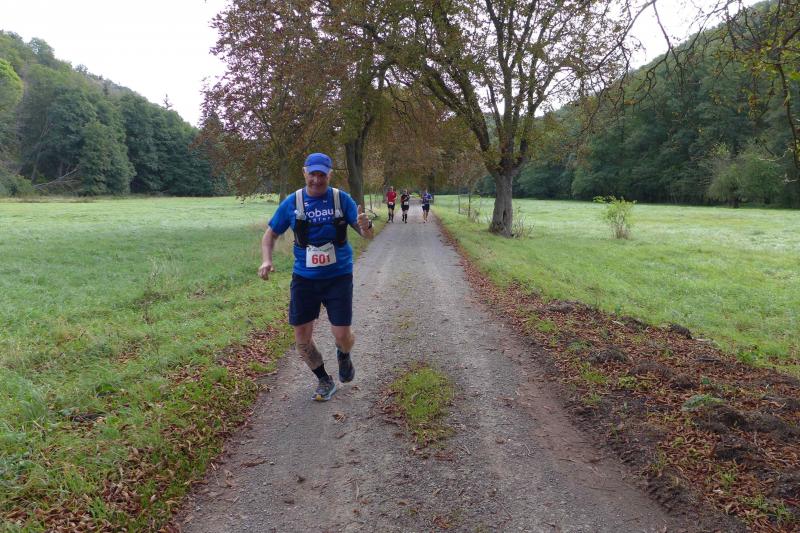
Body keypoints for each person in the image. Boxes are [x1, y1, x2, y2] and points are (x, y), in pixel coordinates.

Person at [258, 153, 374, 401]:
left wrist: (367, 227)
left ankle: (343, 354)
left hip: (338, 276)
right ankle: (324, 379)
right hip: (304, 278)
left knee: (342, 335)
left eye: (322, 174)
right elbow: (270, 235)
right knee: (301, 339)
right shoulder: (293, 202)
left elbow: (366, 234)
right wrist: (267, 260)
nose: (317, 180)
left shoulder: (341, 199)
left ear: (329, 174)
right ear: (305, 172)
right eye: (313, 174)